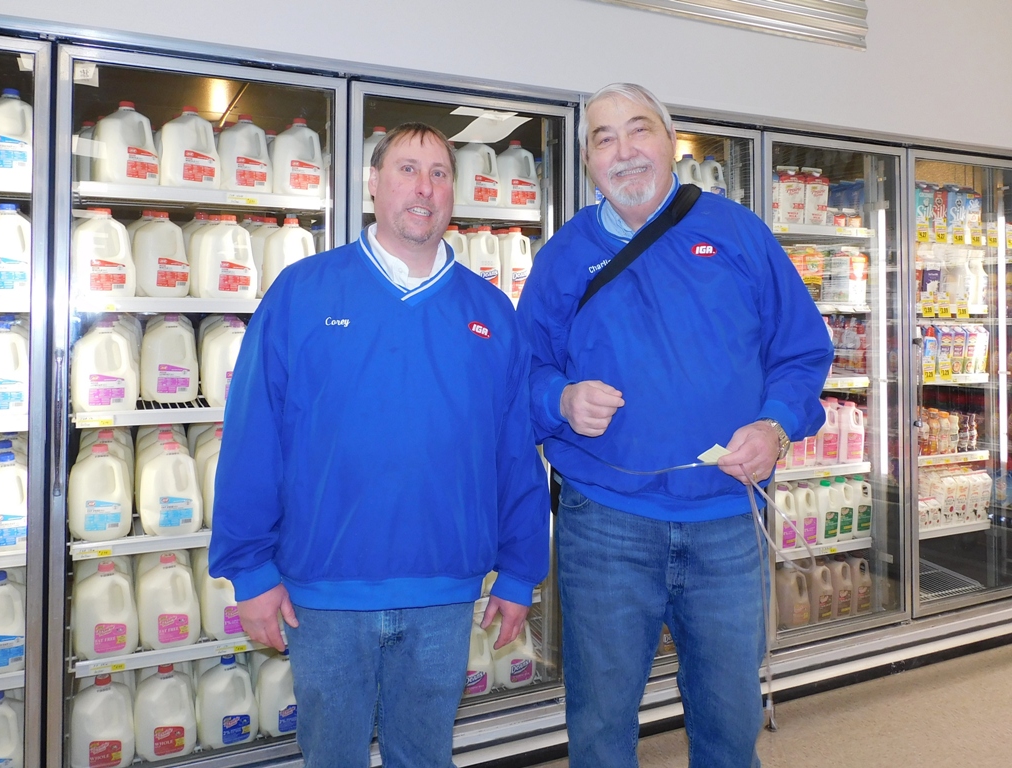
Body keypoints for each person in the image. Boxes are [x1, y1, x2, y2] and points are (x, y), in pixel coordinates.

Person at [209, 122, 550, 768]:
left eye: (439, 173)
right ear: (373, 183)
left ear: (452, 191)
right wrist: (249, 571)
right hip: (324, 595)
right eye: (406, 170)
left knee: (424, 757)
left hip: (444, 592)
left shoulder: (489, 312)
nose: (424, 187)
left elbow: (514, 453)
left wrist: (520, 569)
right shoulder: (303, 294)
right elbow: (254, 436)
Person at [516, 83, 833, 767]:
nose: (625, 150)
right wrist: (560, 400)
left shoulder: (737, 233)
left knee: (729, 721)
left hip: (727, 519)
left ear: (670, 141)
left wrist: (775, 427)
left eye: (640, 130)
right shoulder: (564, 256)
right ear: (587, 161)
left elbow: (802, 352)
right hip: (604, 523)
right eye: (604, 138)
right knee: (601, 725)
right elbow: (523, 370)